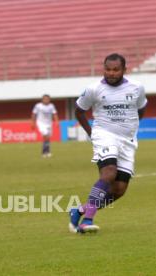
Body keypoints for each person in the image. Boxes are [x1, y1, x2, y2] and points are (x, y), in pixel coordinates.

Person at [69, 53, 147, 234]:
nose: (111, 73)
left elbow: (141, 109)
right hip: (104, 134)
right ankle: (87, 221)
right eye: (108, 69)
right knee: (109, 173)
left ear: (124, 70)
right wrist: (92, 134)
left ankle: (80, 210)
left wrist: (131, 128)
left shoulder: (137, 87)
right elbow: (79, 111)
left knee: (119, 189)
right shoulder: (93, 89)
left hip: (127, 141)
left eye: (115, 70)